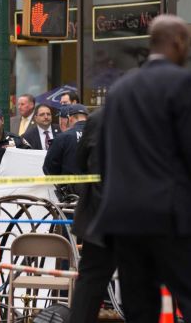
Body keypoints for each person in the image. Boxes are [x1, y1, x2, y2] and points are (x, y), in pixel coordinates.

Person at [90, 15, 191, 322]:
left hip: (124, 219)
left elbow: (103, 156)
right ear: (178, 42)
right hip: (173, 215)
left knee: (140, 311)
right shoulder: (185, 82)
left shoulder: (120, 89)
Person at [68, 108, 117, 323]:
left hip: (98, 214)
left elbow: (80, 162)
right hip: (138, 215)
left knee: (89, 284)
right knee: (140, 287)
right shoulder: (154, 117)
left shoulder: (98, 119)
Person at [44, 104, 89, 202]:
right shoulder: (102, 135)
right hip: (98, 194)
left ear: (71, 118)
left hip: (71, 196)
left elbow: (48, 168)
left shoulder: (63, 137)